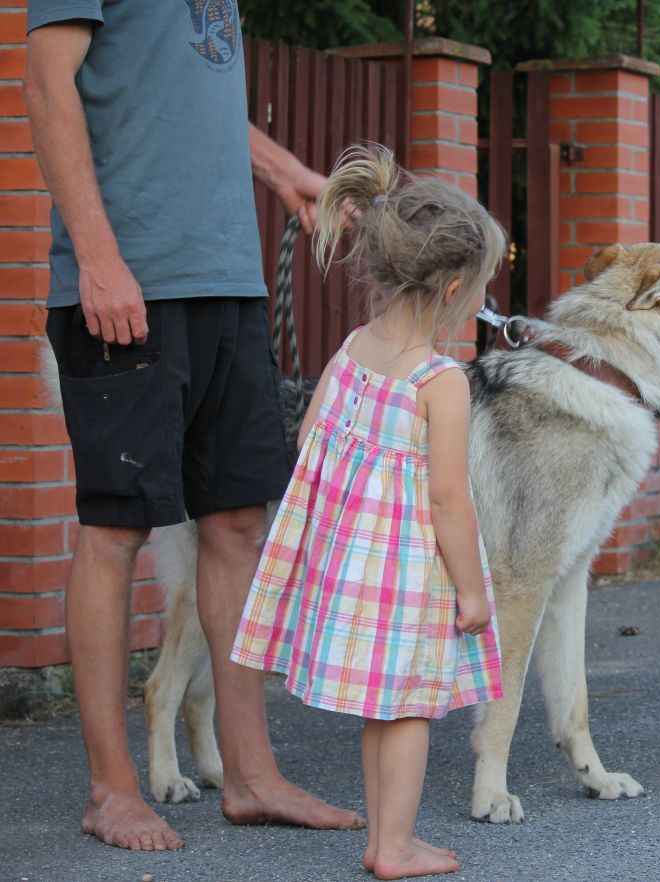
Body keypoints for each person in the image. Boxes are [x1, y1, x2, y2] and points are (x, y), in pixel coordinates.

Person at [23, 0, 362, 852]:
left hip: (226, 278)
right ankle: (111, 789)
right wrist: (97, 258)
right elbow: (45, 81)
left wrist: (285, 174)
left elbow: (185, 97)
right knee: (115, 527)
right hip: (128, 279)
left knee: (239, 520)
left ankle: (250, 776)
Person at [230, 144, 506, 880]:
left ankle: (386, 839)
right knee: (410, 710)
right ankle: (394, 845)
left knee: (381, 711)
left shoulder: (354, 350)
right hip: (412, 572)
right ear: (452, 289)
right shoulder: (441, 381)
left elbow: (315, 440)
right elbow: (449, 498)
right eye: (482, 287)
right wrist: (473, 590)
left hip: (351, 564)